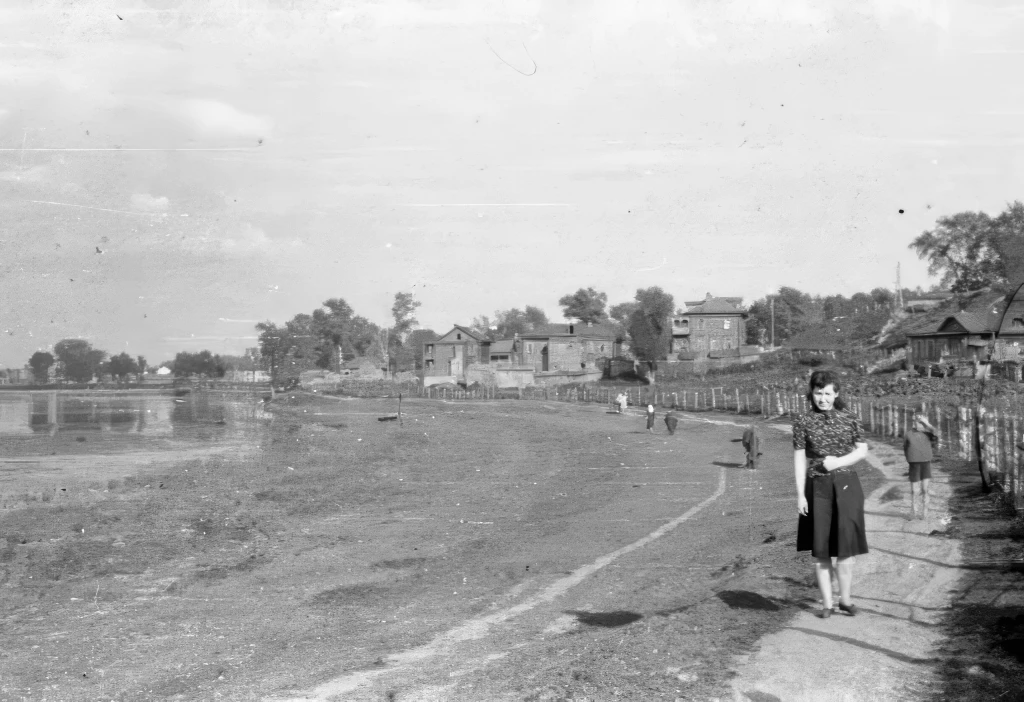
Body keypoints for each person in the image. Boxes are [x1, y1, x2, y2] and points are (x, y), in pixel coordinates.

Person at [794, 369, 869, 619]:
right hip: (817, 488)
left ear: (836, 394)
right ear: (811, 393)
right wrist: (800, 495)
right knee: (821, 550)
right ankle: (827, 604)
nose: (822, 398)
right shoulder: (802, 421)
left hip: (847, 485)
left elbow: (862, 451)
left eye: (827, 393)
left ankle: (845, 600)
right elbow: (798, 459)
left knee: (845, 550)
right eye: (818, 393)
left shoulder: (850, 417)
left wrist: (836, 463)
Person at [904, 414, 937, 520]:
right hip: (914, 464)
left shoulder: (928, 433)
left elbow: (937, 434)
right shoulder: (908, 434)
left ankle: (925, 513)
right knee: (914, 490)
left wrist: (927, 423)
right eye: (915, 422)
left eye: (919, 422)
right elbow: (905, 448)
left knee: (925, 489)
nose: (917, 424)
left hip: (925, 463)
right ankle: (913, 511)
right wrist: (910, 459)